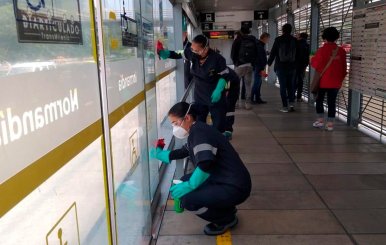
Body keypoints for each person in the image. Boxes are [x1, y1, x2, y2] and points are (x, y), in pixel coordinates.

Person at [150, 102, 251, 236]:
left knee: (187, 199)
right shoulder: (197, 130)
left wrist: (191, 186)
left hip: (235, 186)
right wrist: (161, 154)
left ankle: (225, 219)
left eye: (175, 123)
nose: (174, 128)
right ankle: (226, 209)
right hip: (226, 179)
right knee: (184, 179)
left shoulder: (199, 133)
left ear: (187, 118)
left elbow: (206, 164)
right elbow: (184, 151)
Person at [159, 34, 231, 133]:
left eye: (196, 50)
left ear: (205, 49)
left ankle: (218, 144)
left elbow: (225, 75)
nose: (193, 52)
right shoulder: (192, 52)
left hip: (215, 95)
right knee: (199, 123)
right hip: (200, 95)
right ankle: (202, 142)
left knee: (218, 125)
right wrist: (167, 54)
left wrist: (219, 89)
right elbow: (179, 54)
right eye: (192, 49)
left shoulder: (218, 59)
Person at [311, 27, 347, 131]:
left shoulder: (321, 50)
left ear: (324, 37)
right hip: (335, 82)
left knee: (319, 100)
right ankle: (330, 124)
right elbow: (344, 68)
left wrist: (312, 57)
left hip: (322, 82)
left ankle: (320, 121)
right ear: (337, 37)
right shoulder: (341, 51)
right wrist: (340, 80)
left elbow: (315, 64)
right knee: (332, 102)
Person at [268, 24, 298, 112]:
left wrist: (268, 64)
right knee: (291, 86)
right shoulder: (294, 40)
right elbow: (298, 55)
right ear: (291, 30)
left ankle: (285, 107)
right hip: (292, 67)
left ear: (282, 30)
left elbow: (273, 53)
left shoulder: (278, 40)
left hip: (280, 67)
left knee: (283, 87)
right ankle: (291, 105)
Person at [231, 26, 258, 110]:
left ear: (240, 32)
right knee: (248, 85)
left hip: (239, 66)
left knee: (236, 85)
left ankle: (235, 103)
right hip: (249, 66)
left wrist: (236, 63)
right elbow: (257, 52)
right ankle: (248, 104)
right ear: (249, 31)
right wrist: (253, 63)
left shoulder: (237, 40)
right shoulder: (253, 40)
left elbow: (233, 54)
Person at [251, 32, 270, 104]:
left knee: (259, 83)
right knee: (257, 83)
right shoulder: (259, 45)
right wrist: (262, 68)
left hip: (258, 66)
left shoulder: (259, 44)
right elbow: (260, 57)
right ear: (265, 37)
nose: (268, 40)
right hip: (259, 66)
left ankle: (257, 98)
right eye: (268, 38)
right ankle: (252, 99)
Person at [224, 68, 240, 140]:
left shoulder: (221, 69)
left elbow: (227, 81)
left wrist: (226, 91)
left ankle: (228, 131)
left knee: (229, 109)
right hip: (227, 84)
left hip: (232, 88)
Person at [295, 32, 310, 102]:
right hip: (303, 66)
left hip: (294, 65)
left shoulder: (295, 43)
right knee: (300, 81)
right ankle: (298, 97)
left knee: (293, 80)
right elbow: (311, 55)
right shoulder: (307, 45)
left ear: (300, 37)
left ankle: (291, 95)